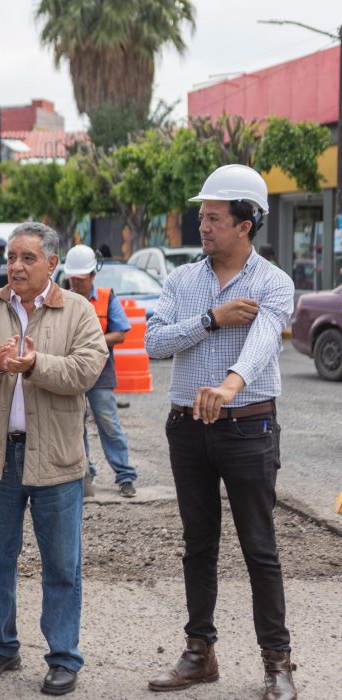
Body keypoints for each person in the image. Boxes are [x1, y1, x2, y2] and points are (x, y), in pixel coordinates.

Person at [144, 164, 297, 699]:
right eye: (201, 217)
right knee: (197, 544)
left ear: (245, 224)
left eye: (213, 218)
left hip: (248, 426)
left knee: (260, 546)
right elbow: (155, 344)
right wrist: (211, 318)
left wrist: (230, 386)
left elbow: (262, 345)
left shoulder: (273, 282)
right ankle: (198, 652)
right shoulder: (183, 281)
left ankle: (277, 662)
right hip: (187, 428)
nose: (202, 227)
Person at [0, 222, 107, 697]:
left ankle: (63, 657)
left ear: (52, 264)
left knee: (62, 564)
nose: (16, 266)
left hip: (56, 459)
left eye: (28, 258)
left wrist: (37, 364)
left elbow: (86, 370)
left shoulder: (77, 310)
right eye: (12, 257)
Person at [62, 245, 138, 498]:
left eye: (81, 279)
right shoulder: (62, 298)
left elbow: (120, 333)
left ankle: (125, 476)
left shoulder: (107, 298)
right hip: (71, 373)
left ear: (93, 275)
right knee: (74, 425)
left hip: (100, 373)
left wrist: (91, 343)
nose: (77, 283)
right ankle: (85, 474)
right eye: (73, 279)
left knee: (108, 424)